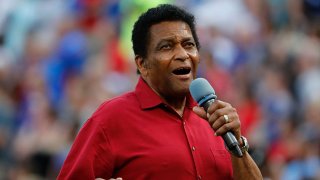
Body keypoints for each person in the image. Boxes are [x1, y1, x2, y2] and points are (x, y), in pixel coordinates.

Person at [58, 4, 262, 179]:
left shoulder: (216, 118)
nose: (182, 54)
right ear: (143, 64)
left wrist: (239, 147)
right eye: (167, 47)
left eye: (188, 45)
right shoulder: (110, 119)